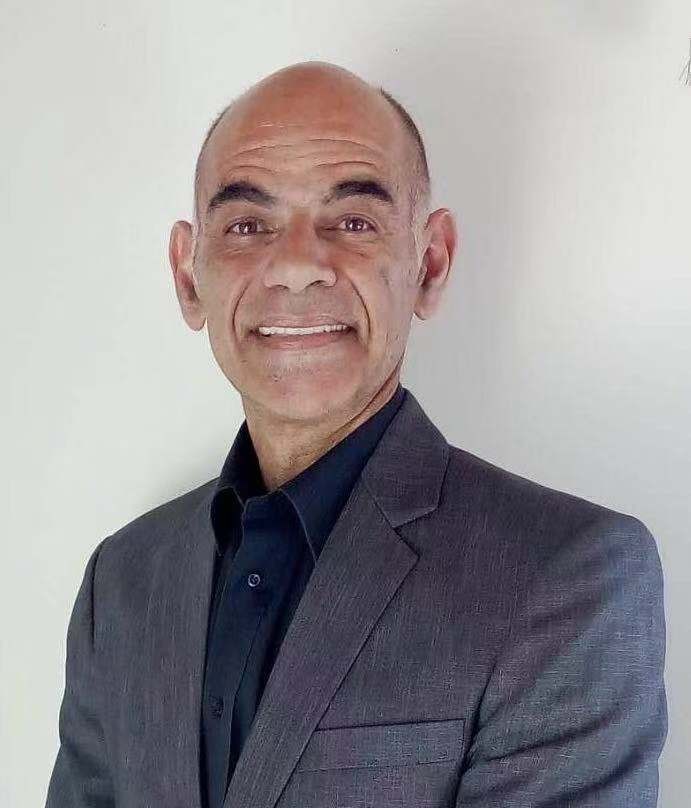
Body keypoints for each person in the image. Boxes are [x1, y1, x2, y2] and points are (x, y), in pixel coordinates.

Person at [45, 61, 667, 808]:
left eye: (352, 222)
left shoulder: (566, 576)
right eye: (247, 225)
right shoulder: (121, 584)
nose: (296, 267)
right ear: (188, 276)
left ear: (430, 264)